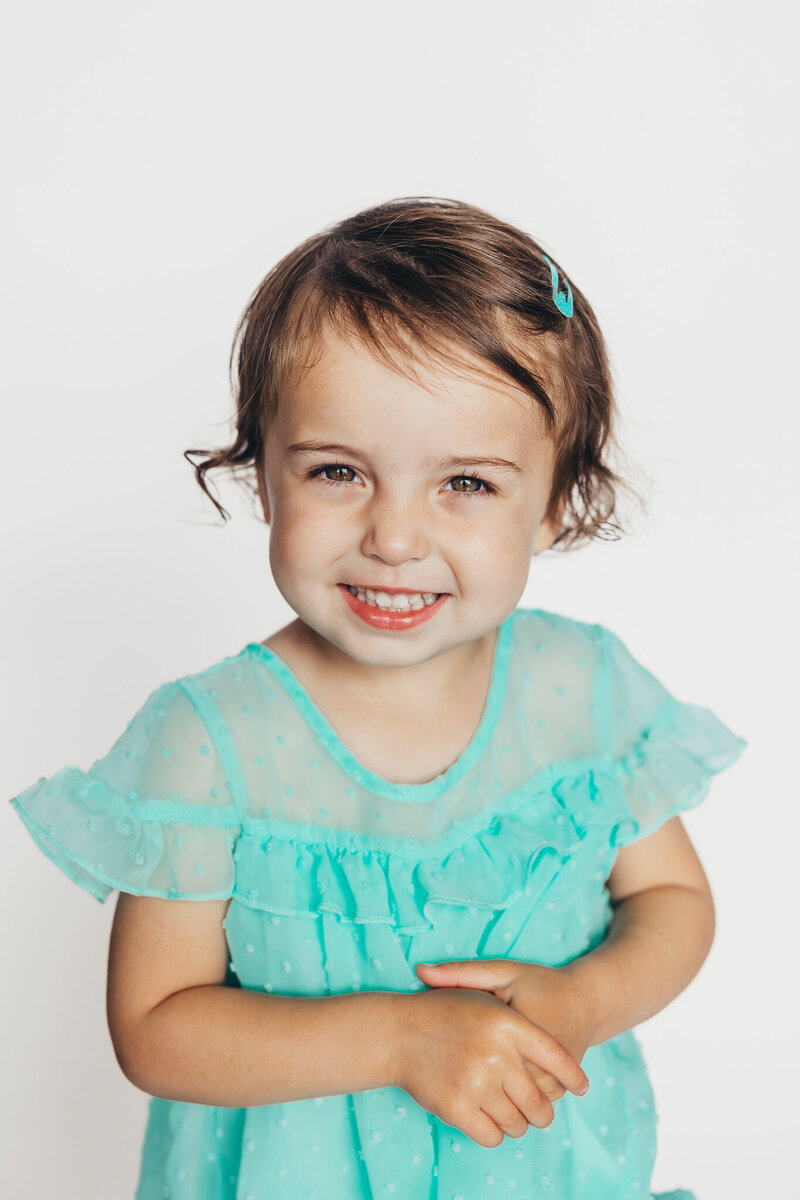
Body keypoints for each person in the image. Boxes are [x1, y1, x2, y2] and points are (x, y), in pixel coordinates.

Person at [9, 196, 746, 1200]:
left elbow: (669, 900)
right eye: (337, 471)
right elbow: (155, 1027)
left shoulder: (579, 688)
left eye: (468, 485)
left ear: (554, 502)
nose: (394, 538)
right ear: (263, 477)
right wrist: (400, 1039)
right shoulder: (209, 739)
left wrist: (580, 1001)